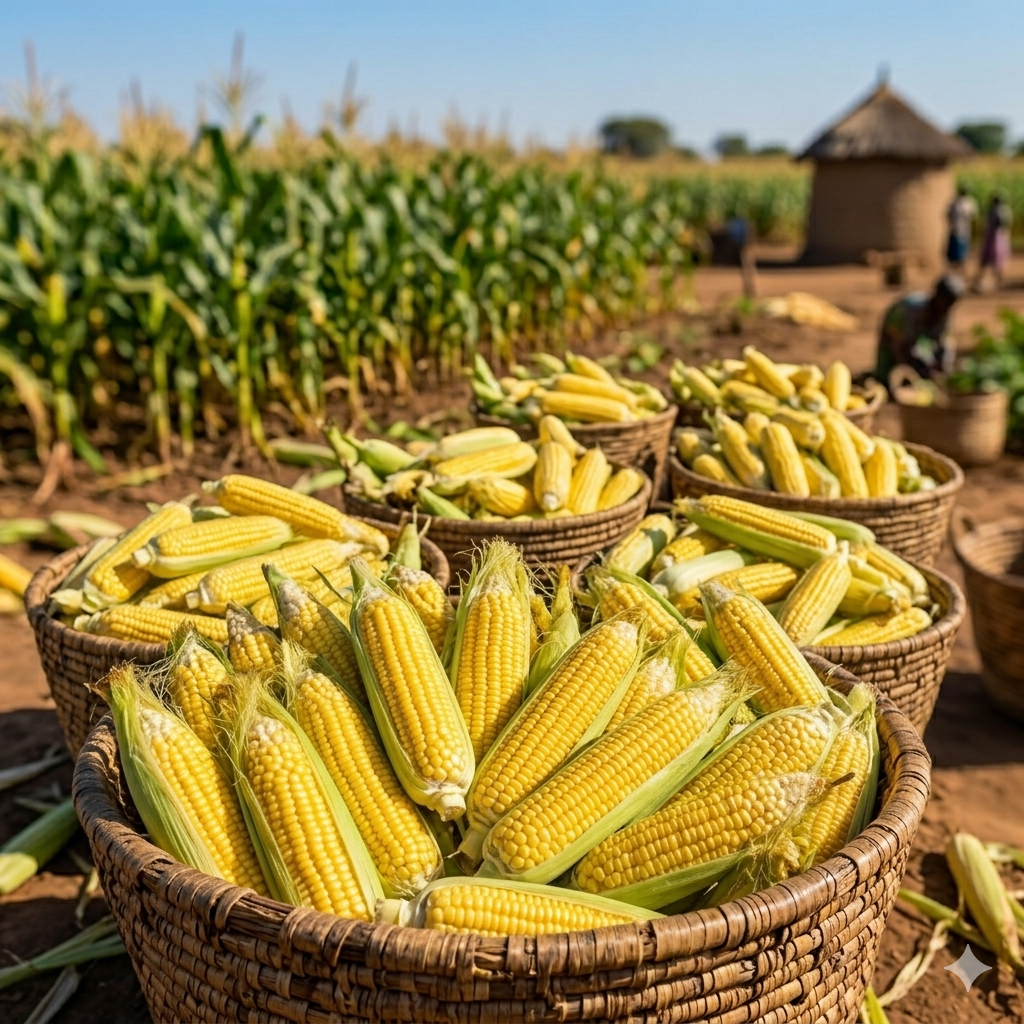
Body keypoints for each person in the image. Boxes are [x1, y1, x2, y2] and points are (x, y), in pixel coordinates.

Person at [875, 274, 966, 390]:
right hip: (896, 325)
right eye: (947, 301)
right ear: (938, 295)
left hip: (914, 336)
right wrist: (914, 367)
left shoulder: (944, 313)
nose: (949, 306)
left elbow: (943, 342)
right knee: (889, 365)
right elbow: (902, 344)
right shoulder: (912, 310)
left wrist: (944, 370)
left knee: (927, 361)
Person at [976, 193, 1012, 290]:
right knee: (993, 258)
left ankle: (996, 280)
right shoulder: (1003, 210)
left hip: (995, 237)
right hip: (995, 236)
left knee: (994, 258)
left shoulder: (998, 210)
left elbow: (1003, 222)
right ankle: (993, 279)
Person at [945, 187, 977, 269]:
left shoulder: (969, 203)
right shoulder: (955, 203)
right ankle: (954, 269)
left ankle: (961, 269)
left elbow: (973, 215)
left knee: (963, 251)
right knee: (955, 252)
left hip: (964, 230)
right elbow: (948, 214)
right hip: (956, 229)